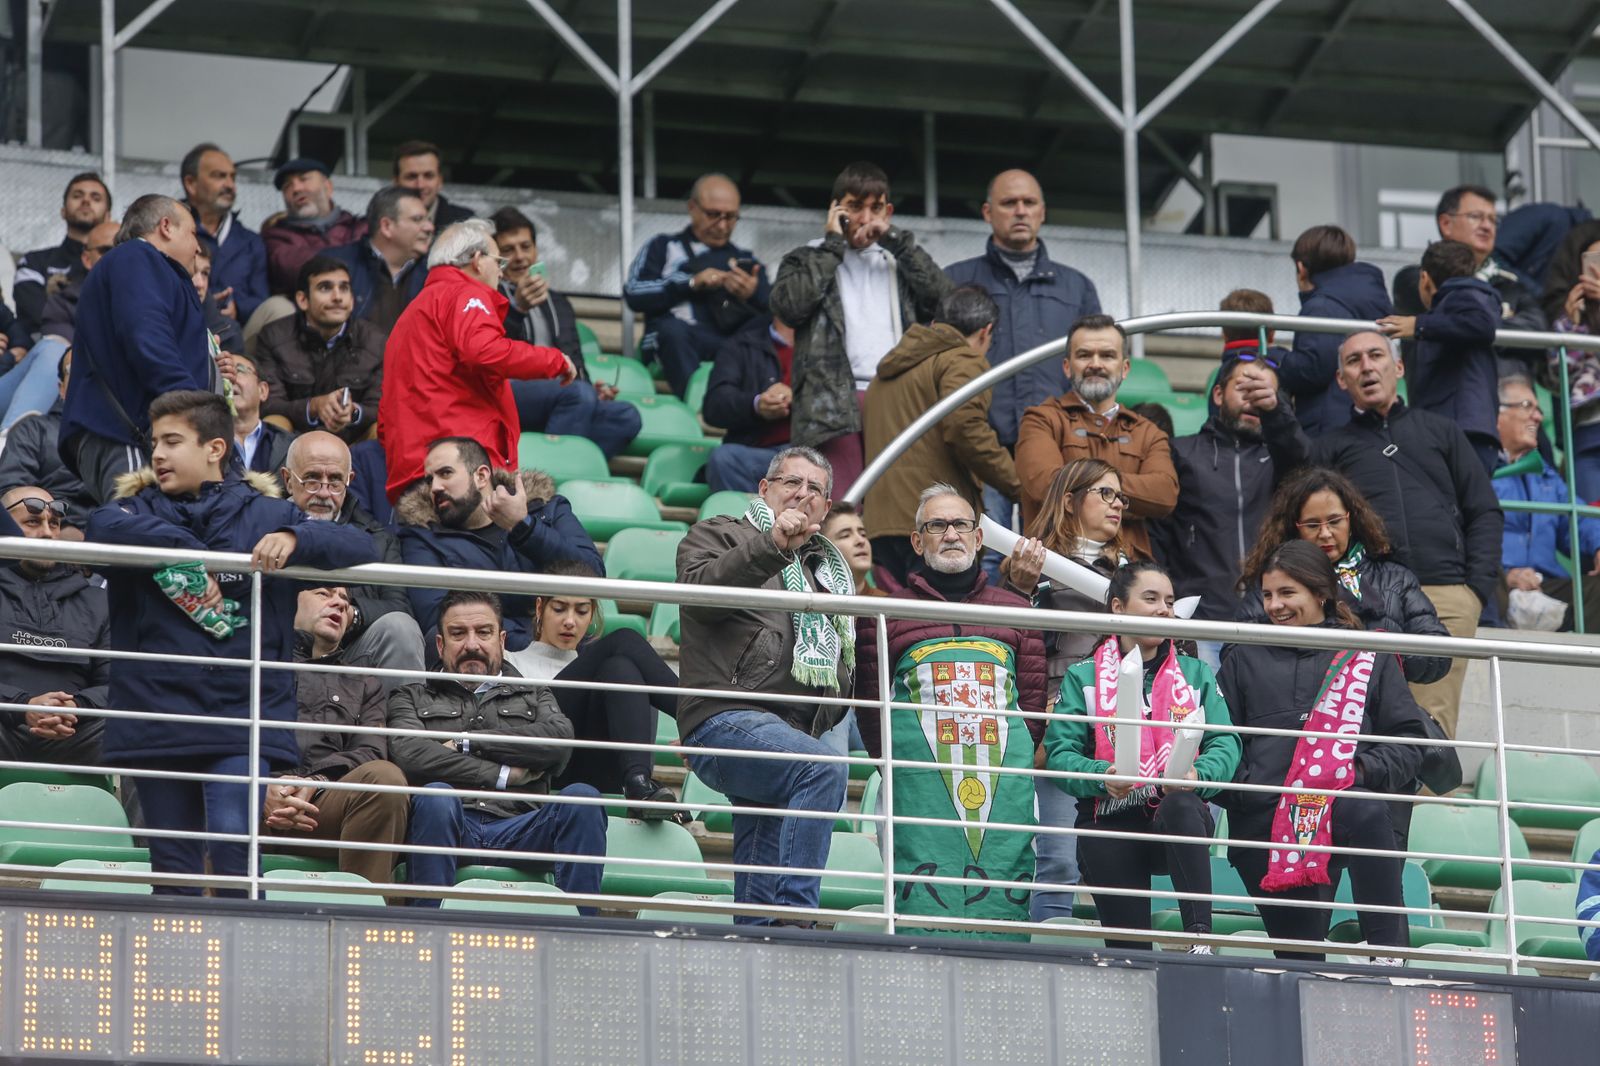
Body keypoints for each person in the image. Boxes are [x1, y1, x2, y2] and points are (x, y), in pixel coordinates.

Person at [86, 390, 375, 896]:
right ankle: (179, 971)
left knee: (230, 842)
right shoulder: (131, 512)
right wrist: (192, 556)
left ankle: (246, 966)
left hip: (240, 714)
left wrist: (297, 538)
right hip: (159, 716)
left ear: (215, 448)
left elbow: (359, 542)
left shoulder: (268, 516)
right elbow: (98, 525)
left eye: (172, 441)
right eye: (155, 442)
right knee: (173, 868)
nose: (157, 454)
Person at [1281, 330, 1503, 738]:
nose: (1367, 366)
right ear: (1341, 380)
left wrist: (1476, 589)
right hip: (1367, 595)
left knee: (1432, 728)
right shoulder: (1330, 446)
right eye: (1354, 361)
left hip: (1448, 591)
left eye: (1376, 355)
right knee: (1368, 719)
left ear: (1398, 367)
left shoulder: (1442, 431)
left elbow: (1484, 509)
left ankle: (1428, 804)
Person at [1218, 540, 1426, 961]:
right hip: (1265, 823)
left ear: (1321, 593)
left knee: (1364, 807)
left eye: (1287, 593)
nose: (1275, 605)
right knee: (1301, 960)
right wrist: (1252, 790)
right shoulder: (1241, 656)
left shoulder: (1369, 654)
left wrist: (1359, 771)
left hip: (1338, 805)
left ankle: (1387, 953)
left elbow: (1408, 741)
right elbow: (1219, 743)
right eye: (1268, 595)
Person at [853, 486, 1045, 938]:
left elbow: (1031, 709)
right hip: (915, 788)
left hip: (1005, 786)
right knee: (919, 909)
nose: (951, 534)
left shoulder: (1017, 611)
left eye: (960, 525)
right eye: (937, 525)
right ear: (918, 542)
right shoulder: (884, 613)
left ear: (979, 539)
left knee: (1002, 904)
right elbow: (870, 710)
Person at [675, 446, 855, 925]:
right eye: (791, 482)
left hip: (787, 730)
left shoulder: (828, 574)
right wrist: (772, 544)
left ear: (826, 507)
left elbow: (840, 669)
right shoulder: (717, 533)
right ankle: (796, 919)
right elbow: (700, 599)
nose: (803, 493)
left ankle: (758, 945)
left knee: (757, 872)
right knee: (821, 771)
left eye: (815, 488)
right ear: (764, 489)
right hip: (725, 716)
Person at [1045, 561, 1242, 951]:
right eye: (1150, 599)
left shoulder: (1196, 672)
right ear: (1118, 607)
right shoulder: (1082, 676)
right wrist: (1102, 774)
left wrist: (1197, 775)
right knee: (1129, 951)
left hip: (1174, 818)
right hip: (1109, 814)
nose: (1164, 610)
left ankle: (1199, 940)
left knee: (1183, 806)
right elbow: (1060, 752)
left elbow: (1226, 742)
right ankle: (1130, 963)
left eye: (1169, 601)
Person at [390, 590, 608, 909]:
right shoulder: (410, 696)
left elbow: (559, 743)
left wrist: (470, 742)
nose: (472, 645)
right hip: (448, 823)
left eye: (484, 632)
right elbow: (410, 754)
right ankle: (426, 933)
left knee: (583, 799)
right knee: (436, 797)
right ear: (440, 644)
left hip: (523, 827)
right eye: (458, 634)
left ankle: (580, 941)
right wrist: (503, 773)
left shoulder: (534, 694)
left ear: (502, 640)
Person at [771, 161, 952, 497]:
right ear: (836, 210)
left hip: (896, 396)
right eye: (855, 207)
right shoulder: (808, 256)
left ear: (888, 211)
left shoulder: (898, 258)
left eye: (876, 208)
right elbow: (790, 308)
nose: (866, 218)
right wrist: (832, 245)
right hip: (831, 402)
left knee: (892, 503)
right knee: (843, 504)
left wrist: (895, 239)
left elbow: (945, 302)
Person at [1002, 457, 1129, 920]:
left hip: (1121, 720)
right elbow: (1011, 646)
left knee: (1117, 863)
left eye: (1121, 497)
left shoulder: (1137, 572)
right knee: (1056, 858)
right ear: (1070, 500)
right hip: (1055, 717)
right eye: (1106, 494)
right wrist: (1022, 588)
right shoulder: (1025, 566)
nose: (1117, 505)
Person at [946, 169, 1102, 542]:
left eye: (1028, 203)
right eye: (1009, 203)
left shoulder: (1077, 286)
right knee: (989, 556)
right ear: (987, 212)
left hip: (1055, 453)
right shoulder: (954, 280)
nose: (1020, 211)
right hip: (982, 452)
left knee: (1056, 557)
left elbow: (1094, 367)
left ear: (1042, 212)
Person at [378, 219, 576, 503]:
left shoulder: (412, 313)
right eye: (499, 261)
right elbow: (484, 351)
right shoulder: (465, 294)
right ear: (478, 260)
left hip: (414, 478)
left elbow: (385, 418)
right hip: (463, 473)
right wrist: (555, 360)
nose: (502, 271)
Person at [59, 194, 216, 504]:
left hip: (151, 433)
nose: (198, 248)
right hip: (127, 435)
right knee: (139, 531)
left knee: (161, 536)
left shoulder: (147, 268)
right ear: (166, 227)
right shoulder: (136, 257)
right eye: (193, 234)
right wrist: (197, 413)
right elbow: (146, 337)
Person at [863, 285, 1021, 586]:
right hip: (937, 523)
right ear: (986, 333)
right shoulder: (964, 359)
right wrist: (1020, 485)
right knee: (944, 622)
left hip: (881, 525)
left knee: (907, 621)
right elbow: (966, 427)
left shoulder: (887, 372)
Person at [1237, 466, 1450, 685]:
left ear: (1351, 520)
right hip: (1297, 708)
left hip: (1378, 711)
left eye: (1335, 521)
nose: (1325, 533)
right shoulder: (1273, 579)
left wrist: (1375, 660)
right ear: (1295, 528)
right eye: (1312, 525)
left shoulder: (1395, 578)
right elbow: (1235, 650)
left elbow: (1439, 653)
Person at [1157, 353, 1303, 666]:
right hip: (1199, 623)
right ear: (1219, 394)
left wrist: (1277, 413)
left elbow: (1304, 465)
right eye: (1244, 388)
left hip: (1269, 623)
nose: (1254, 400)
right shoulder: (1181, 451)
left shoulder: (1283, 460)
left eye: (1264, 392)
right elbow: (1159, 534)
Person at [503, 561, 682, 816]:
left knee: (621, 669)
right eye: (559, 608)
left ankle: (638, 782)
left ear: (592, 614)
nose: (570, 621)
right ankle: (700, 717)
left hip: (594, 774)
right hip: (541, 766)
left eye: (581, 611)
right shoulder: (510, 660)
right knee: (624, 640)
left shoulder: (604, 672)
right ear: (540, 607)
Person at [263, 586, 409, 896]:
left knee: (385, 778)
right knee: (208, 781)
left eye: (345, 600)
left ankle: (359, 924)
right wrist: (263, 785)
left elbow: (370, 751)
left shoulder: (364, 680)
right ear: (291, 602)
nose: (339, 603)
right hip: (251, 800)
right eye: (323, 593)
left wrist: (317, 781)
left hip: (324, 805)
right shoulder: (255, 663)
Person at [396, 437, 602, 651]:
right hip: (494, 661)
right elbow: (437, 617)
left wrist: (525, 528)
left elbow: (592, 576)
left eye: (445, 473)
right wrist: (536, 646)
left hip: (569, 651)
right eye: (430, 480)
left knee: (626, 642)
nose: (435, 487)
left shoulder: (546, 509)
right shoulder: (422, 538)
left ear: (481, 476)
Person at [1014, 314, 1178, 557]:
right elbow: (1043, 485)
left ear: (1125, 368)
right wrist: (1124, 498)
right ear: (1067, 366)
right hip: (1056, 565)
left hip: (1128, 573)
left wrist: (1080, 488)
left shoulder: (1147, 432)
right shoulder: (1040, 419)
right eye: (1084, 355)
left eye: (1108, 355)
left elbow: (1164, 495)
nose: (1096, 364)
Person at [491, 207, 640, 458]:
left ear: (536, 250)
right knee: (577, 394)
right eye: (508, 250)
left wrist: (594, 391)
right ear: (494, 258)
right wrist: (517, 308)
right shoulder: (489, 294)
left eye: (526, 247)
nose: (519, 257)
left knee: (625, 416)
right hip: (509, 393)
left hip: (560, 395)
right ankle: (552, 476)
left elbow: (574, 358)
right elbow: (492, 352)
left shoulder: (559, 302)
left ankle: (543, 461)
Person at [281, 431, 424, 689]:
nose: (324, 493)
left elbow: (398, 606)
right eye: (312, 479)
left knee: (401, 627)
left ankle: (405, 727)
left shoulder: (377, 538)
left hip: (351, 654)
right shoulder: (262, 525)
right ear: (288, 480)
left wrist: (351, 613)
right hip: (276, 650)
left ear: (350, 480)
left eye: (335, 481)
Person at [624, 173, 770, 397]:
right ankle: (700, 405)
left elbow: (775, 310)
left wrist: (752, 293)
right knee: (672, 330)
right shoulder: (663, 246)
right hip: (675, 341)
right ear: (692, 207)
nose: (722, 225)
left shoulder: (745, 260)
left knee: (764, 328)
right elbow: (633, 292)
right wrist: (691, 283)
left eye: (731, 217)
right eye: (713, 215)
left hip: (726, 344)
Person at [0, 485, 109, 769]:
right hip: (4, 725)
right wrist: (22, 706)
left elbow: (117, 681)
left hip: (76, 731)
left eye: (54, 523)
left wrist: (75, 708)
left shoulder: (96, 600)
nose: (48, 533)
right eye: (32, 522)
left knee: (143, 739)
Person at [1378, 240, 1502, 476]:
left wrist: (1418, 324)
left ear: (1424, 279)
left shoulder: (1461, 295)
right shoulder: (1466, 300)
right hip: (1468, 429)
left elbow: (1482, 325)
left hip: (1459, 429)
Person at [1394, 184, 1546, 373]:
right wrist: (1495, 328)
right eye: (1476, 217)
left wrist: (1464, 327)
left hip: (1513, 397)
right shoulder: (1418, 278)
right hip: (1442, 395)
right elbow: (1444, 323)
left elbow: (1538, 336)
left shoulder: (1511, 285)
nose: (1487, 226)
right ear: (1446, 224)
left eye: (1493, 220)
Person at [1493, 374, 1600, 633]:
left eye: (1539, 410)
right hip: (1497, 586)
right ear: (1498, 414)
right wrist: (1507, 575)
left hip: (1546, 586)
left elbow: (1580, 522)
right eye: (1528, 407)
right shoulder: (1474, 467)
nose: (1538, 417)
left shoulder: (1546, 477)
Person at [252, 255, 385, 444]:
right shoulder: (274, 336)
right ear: (302, 299)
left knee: (381, 429)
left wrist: (353, 412)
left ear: (352, 300)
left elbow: (383, 406)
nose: (337, 297)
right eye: (325, 288)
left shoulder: (376, 341)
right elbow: (268, 403)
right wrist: (313, 407)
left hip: (354, 439)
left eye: (344, 288)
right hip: (296, 438)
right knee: (274, 423)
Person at [1276, 224, 1393, 437]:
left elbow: (1313, 368)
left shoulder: (1322, 305)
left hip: (1329, 426)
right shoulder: (1368, 300)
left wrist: (1278, 359)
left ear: (1301, 269)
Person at [701, 316, 796, 493]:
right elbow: (714, 406)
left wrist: (797, 398)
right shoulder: (741, 345)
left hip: (810, 453)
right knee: (723, 459)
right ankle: (755, 519)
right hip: (757, 455)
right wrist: (757, 404)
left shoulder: (830, 349)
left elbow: (842, 406)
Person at [12, 172, 112, 337]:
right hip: (46, 348)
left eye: (96, 198)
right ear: (63, 211)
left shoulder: (117, 264)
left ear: (108, 216)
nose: (86, 201)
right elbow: (38, 316)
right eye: (77, 195)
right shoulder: (33, 262)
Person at [323, 186, 434, 334]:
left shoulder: (434, 271)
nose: (429, 227)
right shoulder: (334, 264)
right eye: (417, 219)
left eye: (428, 219)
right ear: (387, 226)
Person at [0, 352, 91, 530]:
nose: (85, 375)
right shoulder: (33, 429)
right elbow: (11, 492)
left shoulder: (131, 437)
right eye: (75, 368)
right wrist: (64, 525)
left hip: (108, 533)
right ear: (62, 388)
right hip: (49, 530)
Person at [1542, 229, 1600, 502]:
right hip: (1587, 431)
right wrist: (1570, 325)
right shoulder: (1573, 319)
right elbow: (1558, 377)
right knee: (1593, 523)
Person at [180, 143, 268, 322]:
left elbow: (262, 299)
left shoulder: (251, 241)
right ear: (191, 183)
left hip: (239, 336)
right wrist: (207, 304)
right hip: (179, 330)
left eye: (232, 177)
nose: (229, 185)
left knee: (278, 308)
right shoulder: (169, 231)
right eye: (219, 176)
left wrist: (238, 308)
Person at [262, 158, 367, 297]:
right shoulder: (275, 237)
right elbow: (295, 269)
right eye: (287, 186)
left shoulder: (359, 227)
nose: (296, 189)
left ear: (328, 187)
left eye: (304, 179)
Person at [33, 218, 119, 344]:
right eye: (106, 250)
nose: (117, 256)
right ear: (87, 259)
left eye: (124, 248)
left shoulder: (154, 295)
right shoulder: (63, 305)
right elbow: (64, 354)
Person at [228, 353, 292, 480]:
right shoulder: (200, 443)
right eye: (221, 372)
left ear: (262, 390)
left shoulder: (290, 446)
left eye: (239, 370)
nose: (230, 378)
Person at [393, 140, 475, 229]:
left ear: (440, 181)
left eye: (428, 176)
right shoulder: (378, 221)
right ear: (396, 182)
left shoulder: (466, 222)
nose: (420, 185)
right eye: (411, 177)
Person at [821, 502, 887, 596]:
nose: (861, 541)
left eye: (863, 534)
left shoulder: (887, 603)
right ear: (820, 548)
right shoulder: (805, 601)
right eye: (845, 535)